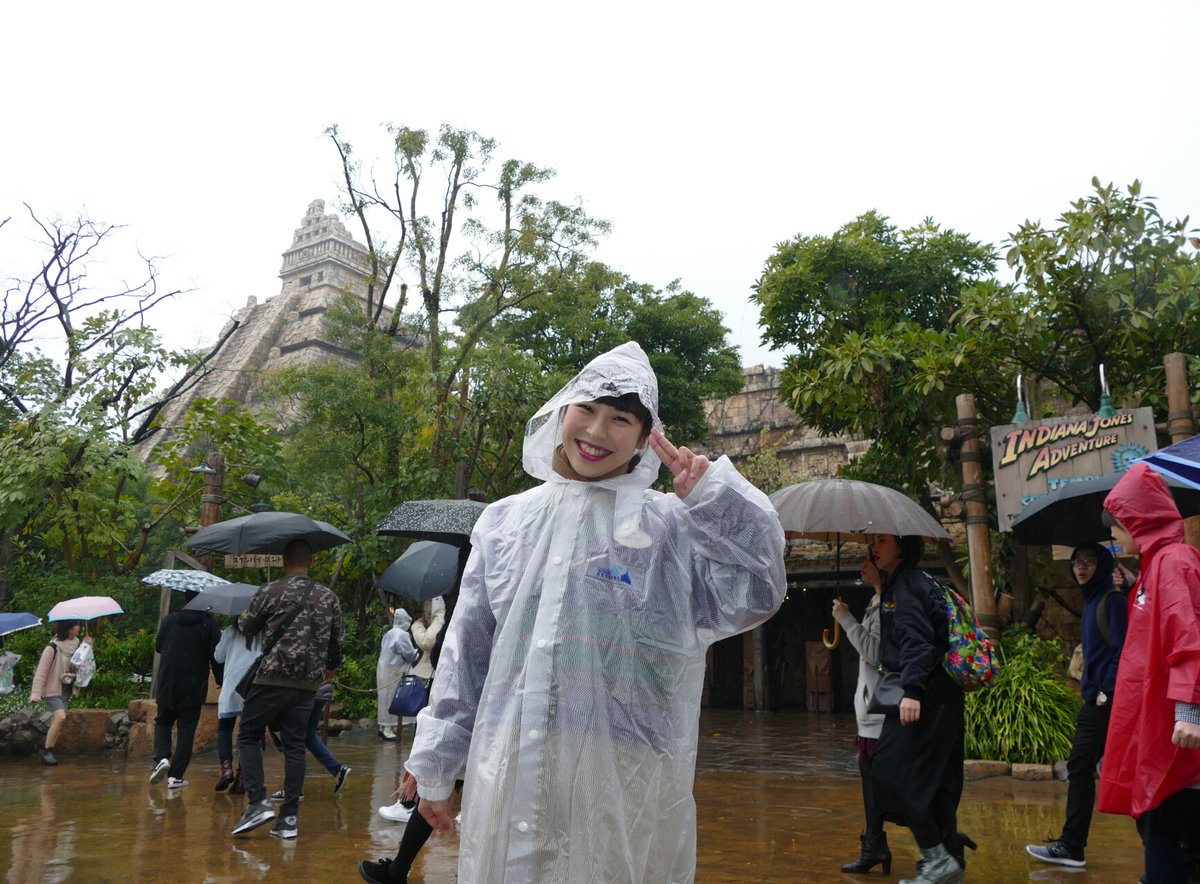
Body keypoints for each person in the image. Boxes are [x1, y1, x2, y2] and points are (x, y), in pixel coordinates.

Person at [398, 342, 787, 882]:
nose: (598, 431)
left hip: (622, 776)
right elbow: (468, 655)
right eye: (587, 409)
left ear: (644, 438)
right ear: (562, 412)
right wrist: (436, 767)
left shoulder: (668, 529)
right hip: (508, 761)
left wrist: (716, 501)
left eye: (621, 419)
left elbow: (756, 590)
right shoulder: (505, 524)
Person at [1098, 462, 1200, 883]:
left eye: (1116, 529)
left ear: (1135, 522)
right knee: (1165, 829)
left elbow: (1188, 637)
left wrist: (1190, 711)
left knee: (1163, 830)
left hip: (1176, 732)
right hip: (1161, 726)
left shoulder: (1172, 562)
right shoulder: (1158, 565)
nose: (1114, 539)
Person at [229, 539, 345, 841]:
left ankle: (257, 803)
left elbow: (246, 626)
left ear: (283, 561)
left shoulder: (270, 591)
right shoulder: (328, 596)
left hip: (271, 678)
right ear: (310, 562)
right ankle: (288, 819)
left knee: (248, 735)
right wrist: (330, 667)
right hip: (307, 684)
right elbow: (337, 642)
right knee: (295, 745)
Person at [868, 533, 965, 884]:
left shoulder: (906, 585)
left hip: (924, 694)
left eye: (882, 540)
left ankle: (937, 858)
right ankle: (948, 861)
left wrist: (912, 691)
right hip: (940, 693)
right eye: (872, 541)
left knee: (888, 770)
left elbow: (917, 640)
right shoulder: (914, 579)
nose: (874, 547)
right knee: (935, 780)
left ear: (902, 545)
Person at [1026, 542, 1128, 868]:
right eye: (1076, 561)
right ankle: (1071, 845)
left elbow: (1123, 650)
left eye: (1089, 561)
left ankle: (1071, 846)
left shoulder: (1111, 601)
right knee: (1083, 769)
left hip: (1103, 702)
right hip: (1096, 700)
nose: (1081, 567)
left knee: (1084, 768)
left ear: (1103, 565)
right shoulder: (1093, 600)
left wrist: (1105, 692)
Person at [832, 556, 890, 874]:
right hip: (872, 710)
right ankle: (874, 844)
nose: (863, 565)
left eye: (872, 558)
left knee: (882, 784)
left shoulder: (887, 605)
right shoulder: (875, 601)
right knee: (872, 784)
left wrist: (845, 619)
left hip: (881, 711)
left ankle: (941, 840)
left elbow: (874, 652)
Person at [379, 596, 445, 820]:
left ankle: (410, 801)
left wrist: (418, 626)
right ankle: (413, 801)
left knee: (427, 740)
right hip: (428, 679)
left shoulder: (443, 618)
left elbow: (426, 642)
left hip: (437, 679)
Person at [149, 592, 221, 789]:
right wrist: (220, 679)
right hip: (193, 684)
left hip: (168, 681)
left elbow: (159, 647)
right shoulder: (209, 623)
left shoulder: (169, 620)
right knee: (186, 730)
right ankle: (176, 777)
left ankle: (162, 758)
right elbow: (216, 656)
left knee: (163, 721)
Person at [269, 674, 351, 800]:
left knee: (293, 740)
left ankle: (293, 789)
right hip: (322, 688)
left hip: (303, 690)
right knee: (309, 736)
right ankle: (337, 770)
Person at [28, 620, 90, 766]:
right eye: (76, 625)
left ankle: (49, 751)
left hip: (66, 688)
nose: (79, 627)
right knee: (61, 717)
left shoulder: (77, 645)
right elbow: (41, 672)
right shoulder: (52, 647)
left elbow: (83, 665)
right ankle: (47, 751)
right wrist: (36, 694)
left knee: (58, 721)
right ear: (69, 628)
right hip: (52, 689)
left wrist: (88, 646)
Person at [212, 619, 262, 792]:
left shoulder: (231, 630)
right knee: (249, 735)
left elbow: (218, 657)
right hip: (253, 687)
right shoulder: (264, 631)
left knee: (225, 729)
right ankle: (241, 778)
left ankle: (226, 768)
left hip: (231, 687)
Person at [376, 608, 416, 740]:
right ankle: (388, 729)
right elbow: (409, 654)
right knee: (393, 699)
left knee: (384, 699)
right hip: (395, 671)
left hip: (383, 670)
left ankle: (383, 726)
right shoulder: (402, 635)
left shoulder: (388, 633)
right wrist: (416, 654)